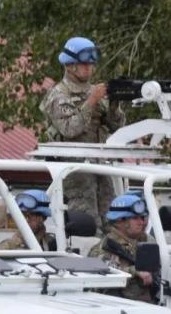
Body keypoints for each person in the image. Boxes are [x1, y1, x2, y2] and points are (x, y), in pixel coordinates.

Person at [38, 36, 126, 216]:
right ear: (70, 66)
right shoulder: (58, 95)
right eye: (84, 64)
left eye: (91, 64)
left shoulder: (95, 92)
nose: (89, 68)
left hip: (99, 164)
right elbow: (70, 129)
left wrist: (114, 105)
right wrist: (92, 101)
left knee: (112, 218)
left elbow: (117, 127)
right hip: (74, 169)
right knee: (85, 222)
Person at [88, 193, 155, 303]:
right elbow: (99, 277)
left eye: (142, 217)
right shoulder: (103, 248)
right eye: (135, 218)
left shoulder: (147, 242)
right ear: (119, 221)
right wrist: (134, 271)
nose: (141, 222)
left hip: (149, 305)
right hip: (118, 306)